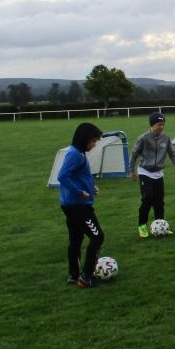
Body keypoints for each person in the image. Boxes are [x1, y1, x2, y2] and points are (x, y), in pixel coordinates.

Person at [58, 122, 105, 288]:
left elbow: (78, 175)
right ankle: (86, 277)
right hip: (78, 206)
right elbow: (63, 176)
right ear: (85, 139)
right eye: (93, 141)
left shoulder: (77, 153)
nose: (94, 144)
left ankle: (74, 275)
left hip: (71, 205)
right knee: (97, 237)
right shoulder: (76, 155)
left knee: (76, 239)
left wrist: (91, 187)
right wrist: (79, 192)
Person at [129, 112, 175, 238]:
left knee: (159, 202)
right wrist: (132, 170)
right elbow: (134, 154)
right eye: (159, 124)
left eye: (163, 124)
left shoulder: (165, 138)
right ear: (152, 124)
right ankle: (142, 226)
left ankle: (161, 225)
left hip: (158, 174)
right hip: (145, 172)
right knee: (147, 199)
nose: (161, 127)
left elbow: (173, 154)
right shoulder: (143, 138)